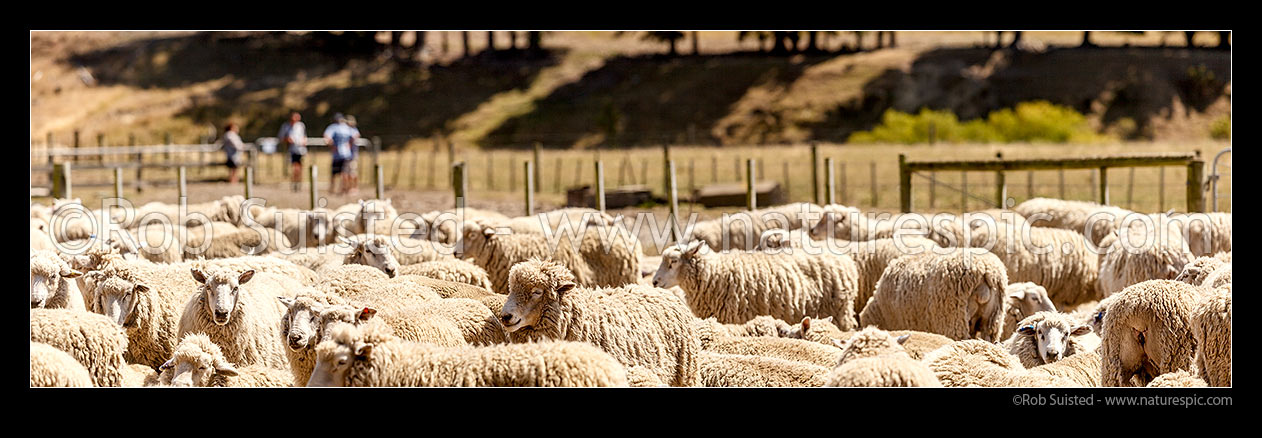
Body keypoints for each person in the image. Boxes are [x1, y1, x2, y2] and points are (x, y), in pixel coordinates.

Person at [323, 113, 360, 195]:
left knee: (335, 173)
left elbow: (326, 137)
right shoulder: (348, 128)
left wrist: (332, 145)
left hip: (337, 155)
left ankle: (332, 189)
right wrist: (349, 144)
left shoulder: (333, 127)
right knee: (345, 173)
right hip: (347, 154)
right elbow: (355, 136)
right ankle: (344, 189)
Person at [278, 111, 307, 192]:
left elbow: (304, 136)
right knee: (295, 168)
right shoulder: (286, 126)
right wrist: (287, 140)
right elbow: (281, 137)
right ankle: (294, 184)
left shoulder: (301, 126)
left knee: (300, 168)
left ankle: (299, 184)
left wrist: (304, 141)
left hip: (301, 150)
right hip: (291, 150)